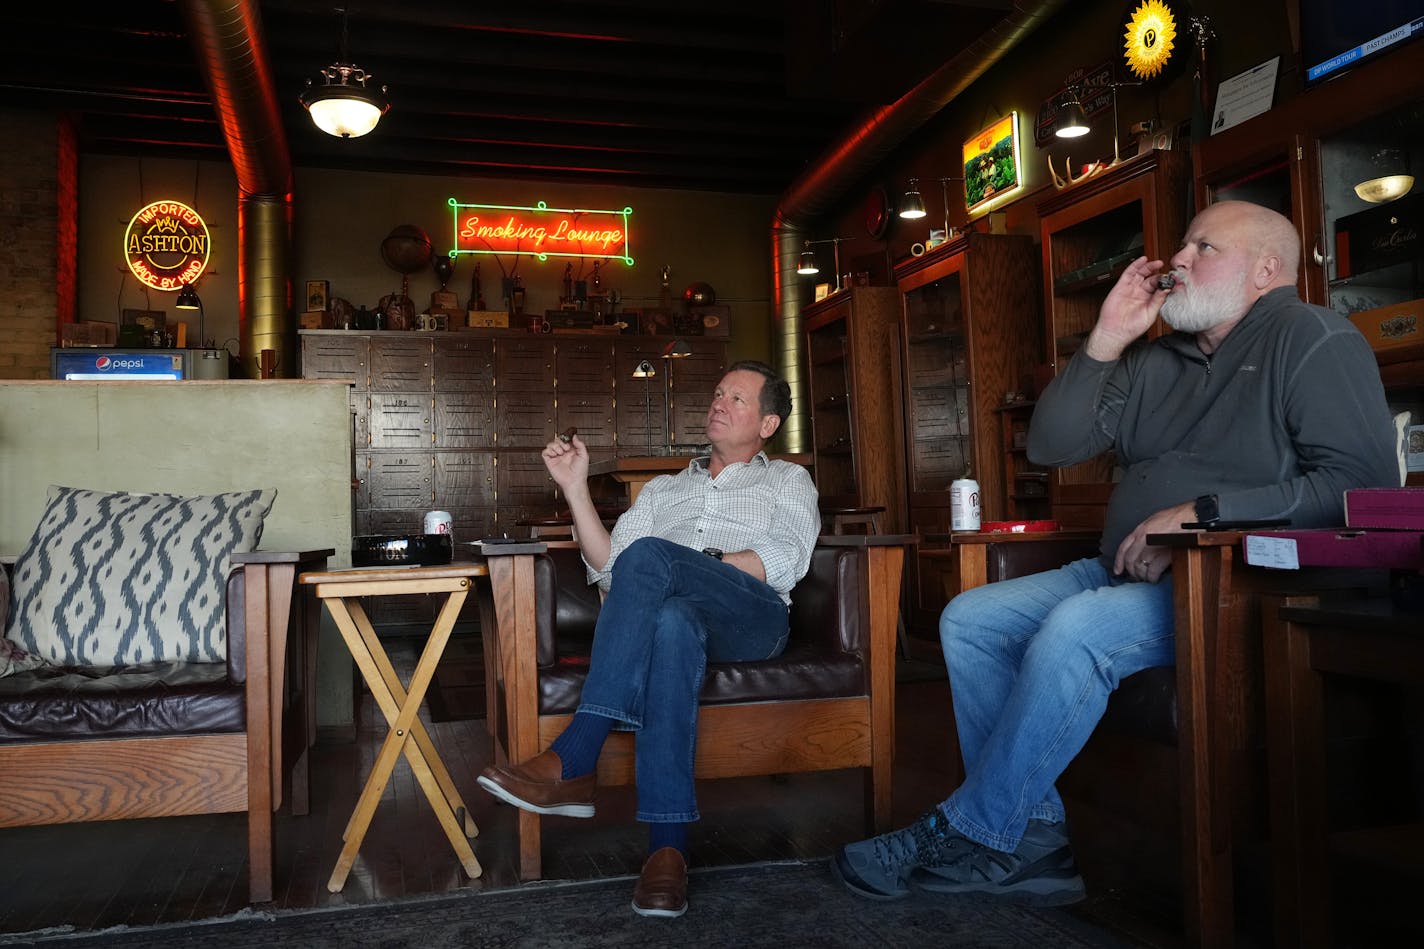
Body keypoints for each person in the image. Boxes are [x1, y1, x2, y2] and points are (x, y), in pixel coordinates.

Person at [833, 200, 1400, 905]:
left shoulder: (1313, 336)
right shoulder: (1153, 360)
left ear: (1265, 270)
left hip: (1235, 582)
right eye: (1181, 246)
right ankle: (1032, 843)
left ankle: (974, 829)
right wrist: (1103, 339)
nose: (1177, 261)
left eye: (1202, 248)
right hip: (1119, 570)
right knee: (970, 619)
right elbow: (1050, 447)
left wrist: (1199, 517)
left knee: (1078, 628)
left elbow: (1361, 486)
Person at [478, 359, 820, 918]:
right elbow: (613, 569)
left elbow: (787, 558)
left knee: (656, 562)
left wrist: (692, 565)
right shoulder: (664, 490)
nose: (719, 403)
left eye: (737, 398)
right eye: (717, 393)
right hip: (679, 617)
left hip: (751, 617)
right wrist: (575, 489)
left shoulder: (787, 480)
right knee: (671, 622)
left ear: (767, 425)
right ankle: (667, 852)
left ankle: (577, 754)